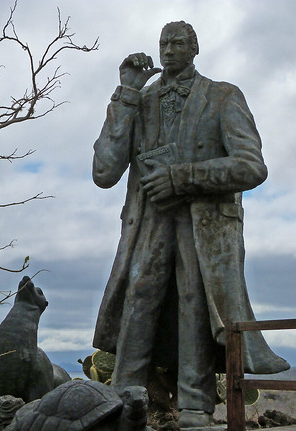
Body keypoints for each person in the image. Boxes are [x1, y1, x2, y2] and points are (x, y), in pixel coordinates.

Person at [92, 21, 289, 428]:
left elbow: (252, 166)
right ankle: (120, 401)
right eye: (163, 42)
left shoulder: (223, 96)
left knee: (195, 301)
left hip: (204, 225)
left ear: (195, 48)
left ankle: (196, 408)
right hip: (148, 221)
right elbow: (104, 171)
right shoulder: (139, 102)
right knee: (140, 296)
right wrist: (127, 92)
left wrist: (182, 177)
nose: (168, 49)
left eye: (178, 42)